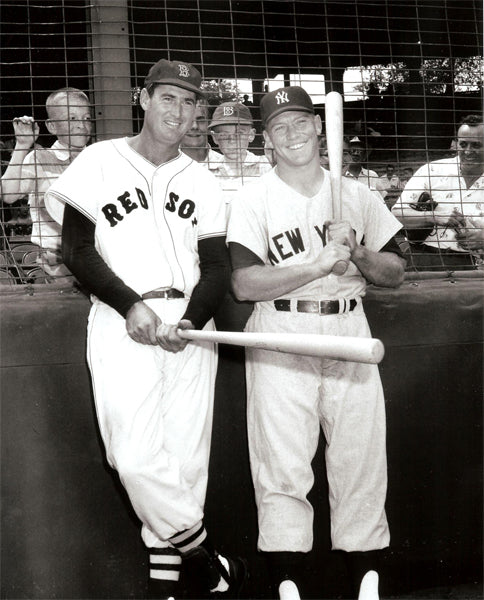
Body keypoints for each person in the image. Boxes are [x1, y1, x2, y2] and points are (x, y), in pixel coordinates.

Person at [46, 58, 246, 600]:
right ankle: (204, 554)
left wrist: (192, 321)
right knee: (132, 456)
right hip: (121, 317)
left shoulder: (202, 180)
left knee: (183, 463)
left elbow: (218, 267)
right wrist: (129, 303)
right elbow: (77, 249)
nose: (179, 111)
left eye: (189, 102)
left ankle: (170, 588)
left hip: (187, 325)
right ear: (144, 98)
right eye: (168, 98)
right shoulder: (98, 160)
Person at [226, 86, 406, 600]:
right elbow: (243, 284)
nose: (293, 133)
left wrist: (357, 253)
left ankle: (367, 579)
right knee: (281, 460)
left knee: (360, 457)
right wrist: (316, 265)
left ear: (317, 127)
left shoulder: (358, 194)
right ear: (267, 141)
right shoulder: (253, 198)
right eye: (280, 127)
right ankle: (287, 582)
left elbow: (393, 271)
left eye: (301, 121)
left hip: (349, 323)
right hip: (282, 332)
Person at [0, 87, 92, 282]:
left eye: (86, 118)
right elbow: (8, 194)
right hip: (54, 262)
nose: (81, 125)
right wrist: (23, 145)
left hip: (96, 258)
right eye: (72, 119)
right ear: (51, 126)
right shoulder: (40, 158)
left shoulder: (99, 158)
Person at [392, 114, 484, 271]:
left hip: (473, 265)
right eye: (463, 144)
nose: (468, 151)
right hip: (422, 257)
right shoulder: (432, 170)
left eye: (476, 145)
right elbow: (395, 215)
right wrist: (433, 216)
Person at [208, 101, 272, 206]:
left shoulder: (266, 167)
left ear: (251, 135)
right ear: (215, 138)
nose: (232, 140)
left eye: (239, 133)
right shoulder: (207, 172)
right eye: (224, 135)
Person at [180, 97, 222, 164]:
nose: (194, 126)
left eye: (201, 120)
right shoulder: (163, 166)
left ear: (209, 125)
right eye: (188, 120)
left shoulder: (224, 164)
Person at [344, 135, 386, 200]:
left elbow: (382, 198)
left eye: (360, 152)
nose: (356, 154)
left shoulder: (372, 175)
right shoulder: (341, 176)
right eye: (352, 151)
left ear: (364, 157)